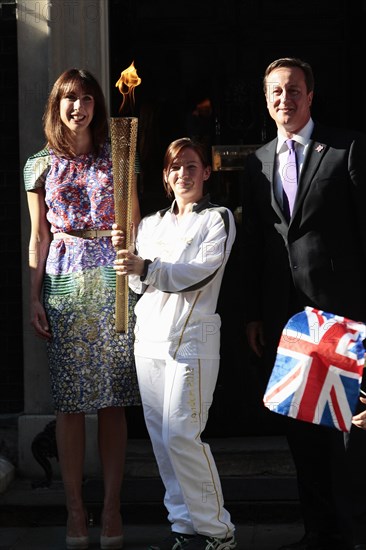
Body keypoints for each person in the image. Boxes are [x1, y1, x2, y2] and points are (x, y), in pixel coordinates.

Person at [242, 57, 366, 550]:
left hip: (342, 315)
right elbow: (256, 240)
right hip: (288, 319)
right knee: (302, 427)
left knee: (348, 433)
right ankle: (318, 531)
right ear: (266, 99)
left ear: (310, 96)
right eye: (275, 91)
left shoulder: (346, 148)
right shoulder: (257, 161)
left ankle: (355, 532)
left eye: (293, 90)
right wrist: (253, 311)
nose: (284, 99)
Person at [23, 68, 141, 550]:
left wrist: (126, 234)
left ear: (97, 106)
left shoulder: (120, 155)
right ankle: (75, 510)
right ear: (57, 104)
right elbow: (38, 237)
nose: (79, 107)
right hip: (65, 281)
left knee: (113, 400)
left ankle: (111, 509)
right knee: (70, 404)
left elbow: (135, 220)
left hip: (114, 281)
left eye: (88, 99)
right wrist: (33, 295)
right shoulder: (39, 165)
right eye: (70, 98)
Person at [112, 137, 237, 550]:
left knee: (184, 433)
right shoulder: (149, 225)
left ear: (205, 172)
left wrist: (145, 266)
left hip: (192, 341)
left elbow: (199, 273)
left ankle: (218, 532)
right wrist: (127, 260)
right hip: (149, 339)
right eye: (174, 167)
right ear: (165, 177)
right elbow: (134, 282)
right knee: (163, 441)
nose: (183, 173)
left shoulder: (217, 219)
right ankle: (184, 527)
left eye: (191, 165)